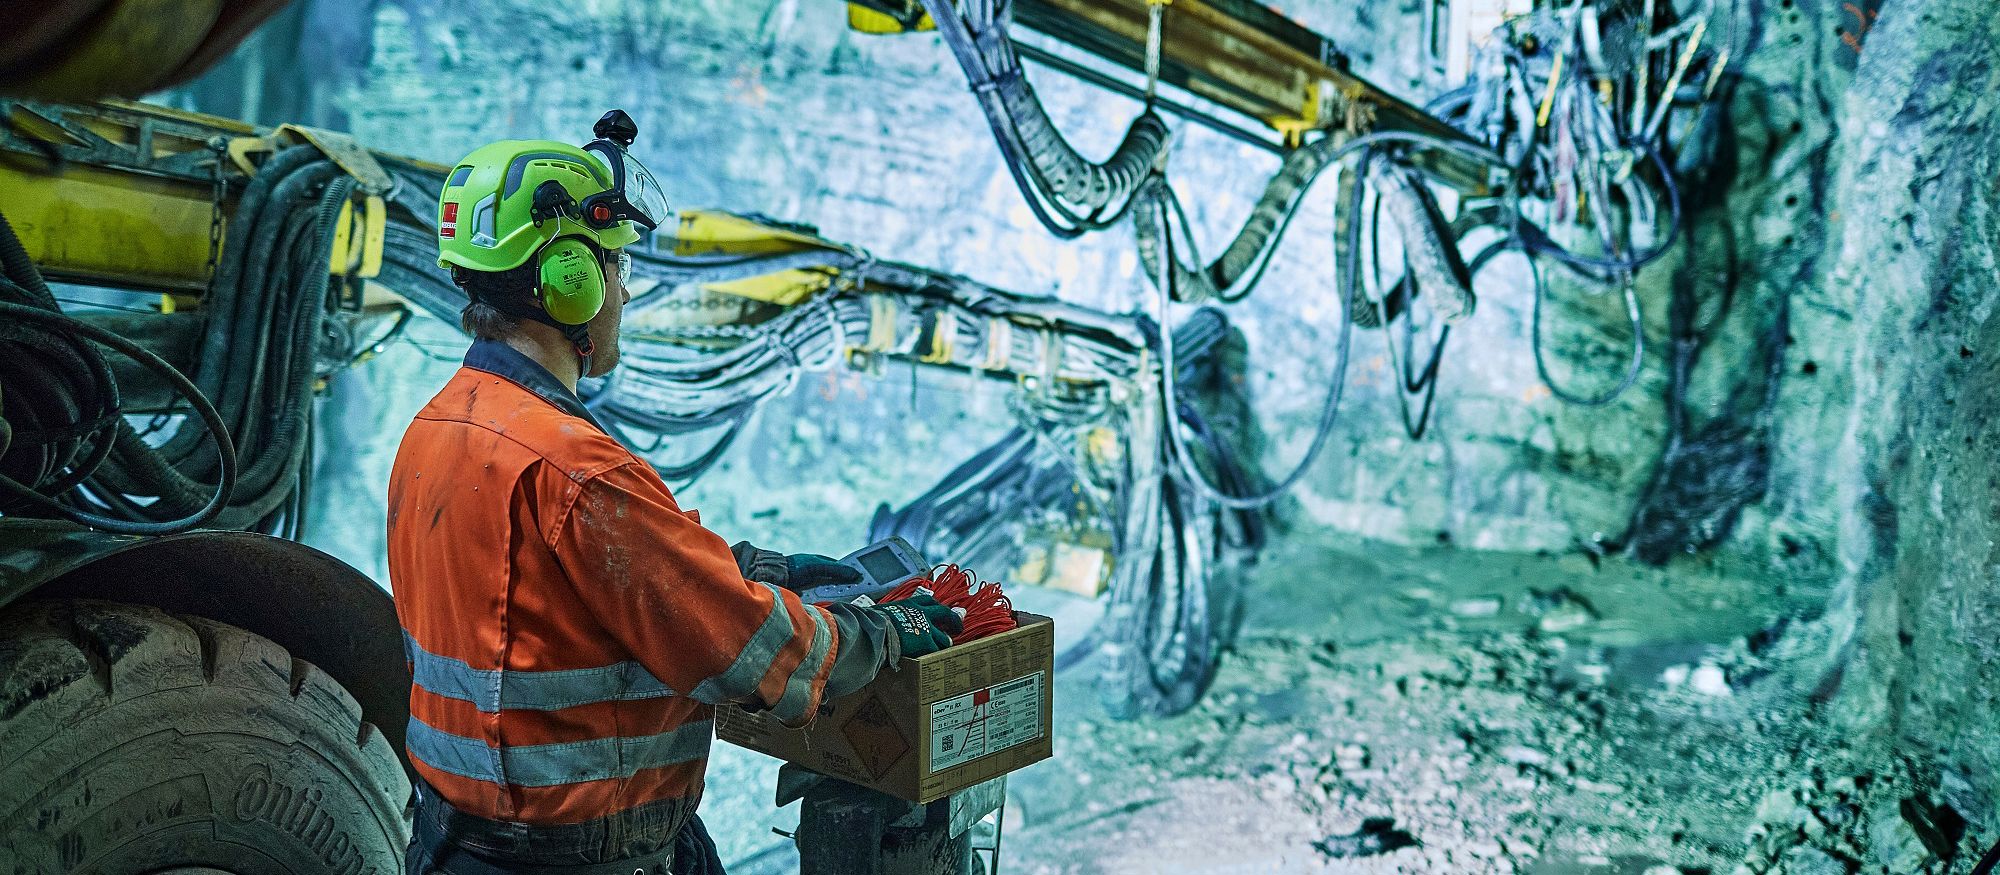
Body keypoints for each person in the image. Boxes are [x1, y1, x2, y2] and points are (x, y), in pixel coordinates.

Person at [387, 110, 960, 875]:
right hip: (578, 857)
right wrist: (880, 635)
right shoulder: (577, 471)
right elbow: (750, 656)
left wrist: (748, 567)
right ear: (571, 279)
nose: (624, 290)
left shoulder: (437, 428)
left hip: (454, 844)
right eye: (617, 267)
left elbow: (546, 599)